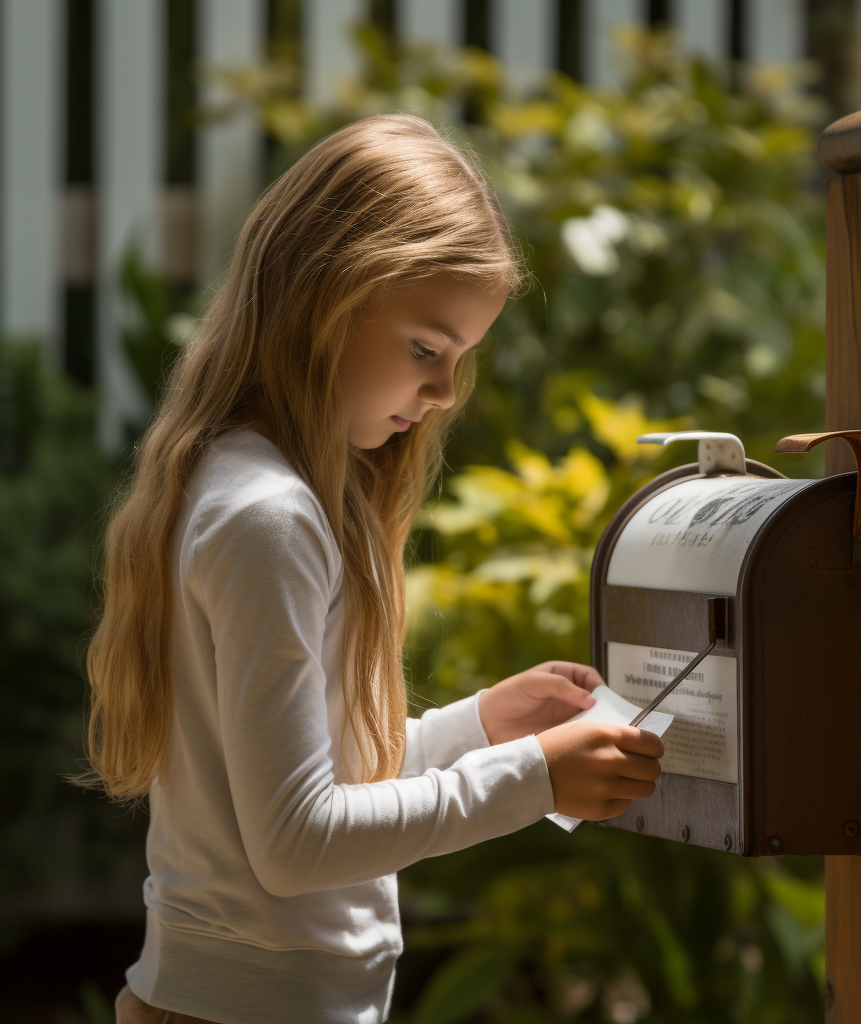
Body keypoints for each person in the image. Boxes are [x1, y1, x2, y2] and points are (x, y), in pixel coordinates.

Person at [78, 114, 664, 1024]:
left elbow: (304, 787)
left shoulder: (254, 485)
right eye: (425, 348)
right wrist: (532, 780)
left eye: (459, 360)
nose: (439, 394)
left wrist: (479, 729)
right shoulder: (268, 517)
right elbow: (296, 842)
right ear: (324, 299)